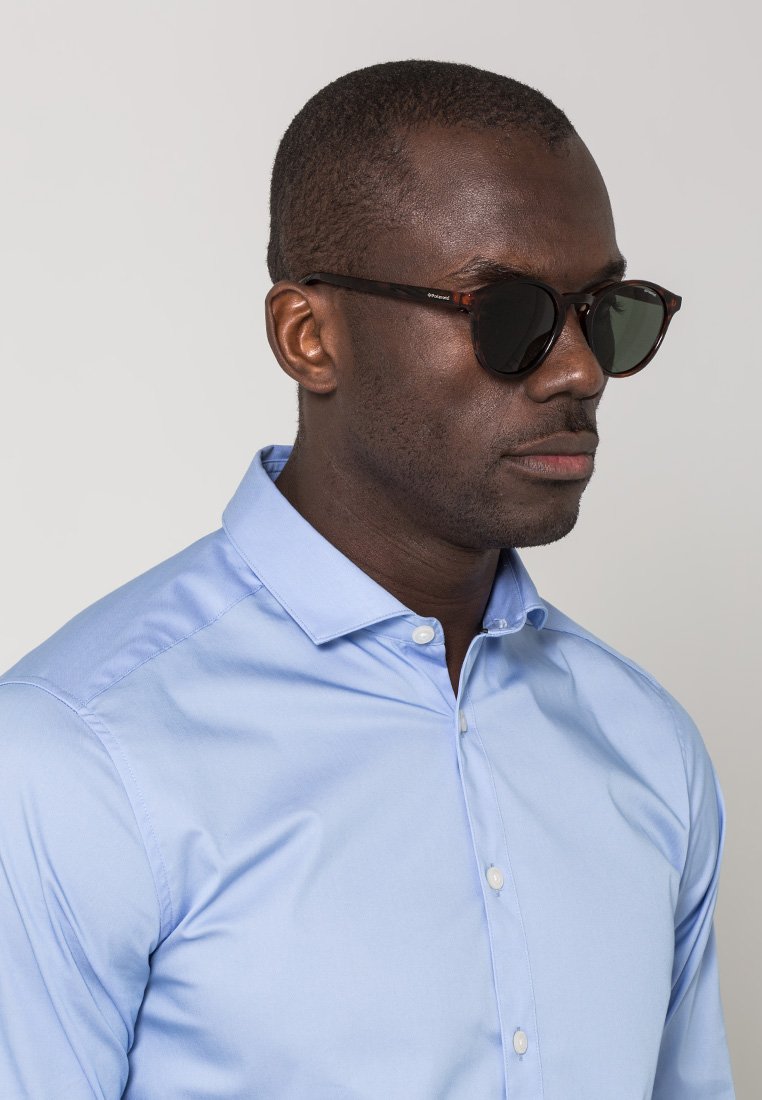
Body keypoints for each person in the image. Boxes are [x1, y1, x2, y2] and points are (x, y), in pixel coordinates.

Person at [0, 59, 735, 1099]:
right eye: (509, 314)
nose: (579, 370)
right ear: (309, 337)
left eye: (606, 311)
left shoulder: (648, 747)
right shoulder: (74, 756)